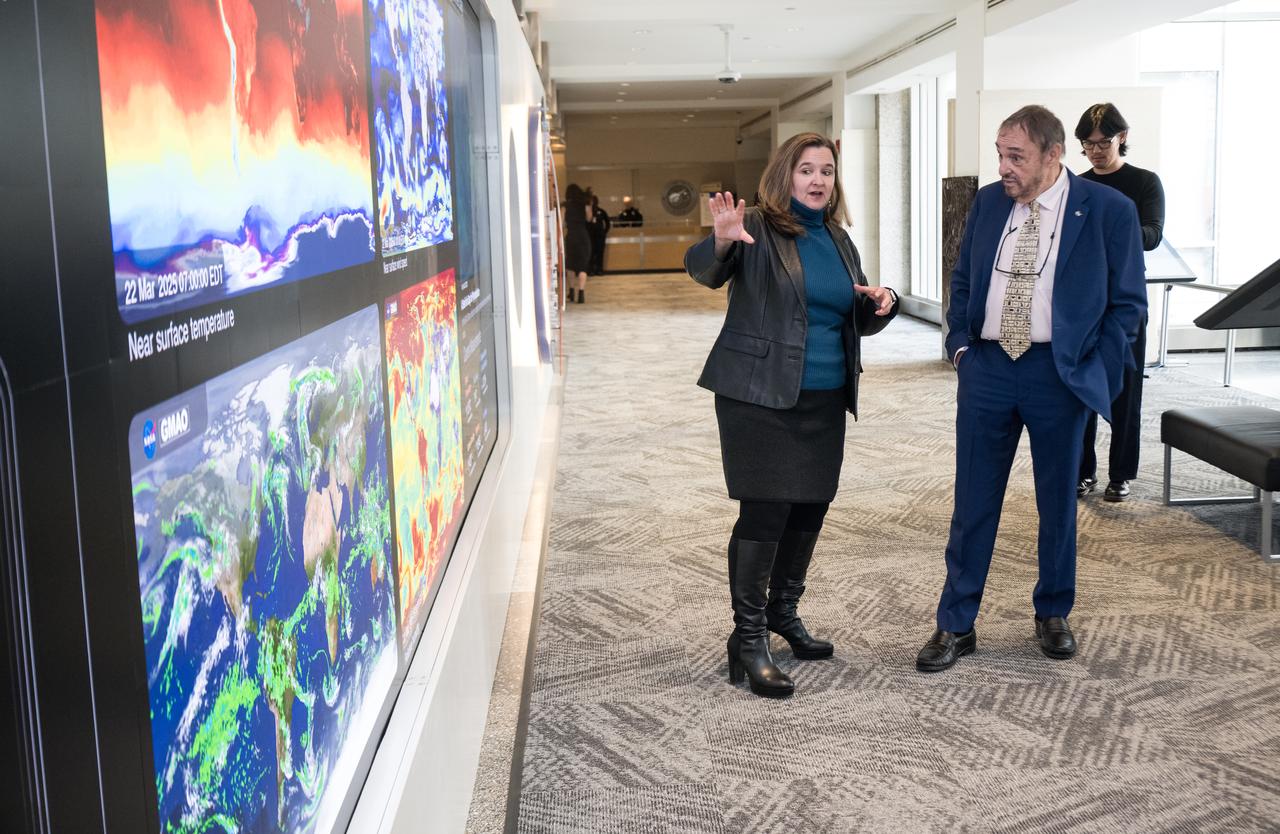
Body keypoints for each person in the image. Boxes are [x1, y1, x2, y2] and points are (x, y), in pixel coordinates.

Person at [916, 105, 1146, 673]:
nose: (1003, 167)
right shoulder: (990, 201)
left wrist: (1092, 367)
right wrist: (962, 345)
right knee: (973, 500)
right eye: (999, 153)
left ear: (1053, 155)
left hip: (1057, 373)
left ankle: (1052, 611)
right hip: (989, 368)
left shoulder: (1108, 211)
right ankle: (956, 622)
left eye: (1016, 156)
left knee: (1056, 503)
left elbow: (1127, 307)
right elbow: (965, 274)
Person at [685, 132, 900, 698]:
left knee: (809, 507)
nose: (818, 180)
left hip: (824, 396)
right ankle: (748, 639)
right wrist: (722, 240)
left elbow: (845, 312)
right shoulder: (755, 224)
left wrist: (882, 303)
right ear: (786, 175)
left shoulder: (837, 237)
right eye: (806, 169)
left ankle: (783, 612)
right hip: (759, 395)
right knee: (766, 512)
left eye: (826, 170)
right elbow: (705, 270)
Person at [1073, 103, 1165, 503]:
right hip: (1083, 299)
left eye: (1103, 142)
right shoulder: (1075, 184)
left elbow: (1153, 235)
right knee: (1079, 387)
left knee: (1125, 387)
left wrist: (1110, 228)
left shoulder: (1144, 182)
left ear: (1121, 138)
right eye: (1087, 144)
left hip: (1126, 299)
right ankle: (1082, 471)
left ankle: (1121, 473)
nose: (1095, 150)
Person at [562, 183, 591, 303]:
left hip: (571, 236)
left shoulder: (565, 206)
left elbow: (562, 222)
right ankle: (581, 294)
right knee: (582, 266)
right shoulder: (585, 204)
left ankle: (572, 291)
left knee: (570, 265)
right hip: (583, 236)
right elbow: (589, 219)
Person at [587, 191, 611, 275]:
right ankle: (591, 270)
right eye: (592, 201)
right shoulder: (588, 212)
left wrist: (604, 232)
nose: (593, 203)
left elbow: (608, 223)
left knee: (600, 253)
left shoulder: (601, 211)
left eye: (595, 201)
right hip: (590, 237)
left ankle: (599, 270)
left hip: (600, 237)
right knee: (591, 254)